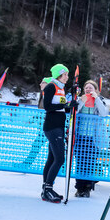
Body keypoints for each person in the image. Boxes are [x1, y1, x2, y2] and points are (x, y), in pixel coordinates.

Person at [41, 64, 77, 203]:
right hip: (52, 127)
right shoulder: (51, 86)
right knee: (60, 159)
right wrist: (65, 105)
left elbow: (61, 109)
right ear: (58, 75)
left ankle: (46, 189)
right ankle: (48, 188)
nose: (67, 77)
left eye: (67, 74)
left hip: (58, 127)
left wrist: (71, 105)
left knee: (52, 159)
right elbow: (47, 107)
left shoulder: (61, 89)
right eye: (65, 74)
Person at [74, 80, 108, 197]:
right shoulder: (80, 100)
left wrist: (96, 99)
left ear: (96, 90)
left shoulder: (100, 100)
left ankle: (88, 187)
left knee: (90, 162)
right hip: (80, 136)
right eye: (86, 88)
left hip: (94, 138)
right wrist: (81, 102)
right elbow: (74, 112)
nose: (88, 90)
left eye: (90, 88)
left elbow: (104, 113)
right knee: (80, 161)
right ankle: (79, 187)